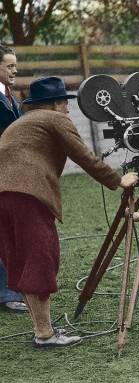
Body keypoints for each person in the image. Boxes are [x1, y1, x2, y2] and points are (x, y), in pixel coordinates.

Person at [0, 76, 139, 348]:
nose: (68, 109)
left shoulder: (22, 122)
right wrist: (118, 180)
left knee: (20, 260)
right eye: (65, 103)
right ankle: (45, 335)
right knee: (40, 259)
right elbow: (83, 155)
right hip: (27, 195)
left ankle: (43, 329)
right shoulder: (56, 120)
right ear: (55, 104)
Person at [0, 45, 27, 313]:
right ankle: (7, 293)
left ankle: (10, 289)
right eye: (9, 66)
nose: (15, 70)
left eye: (15, 66)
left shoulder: (11, 97)